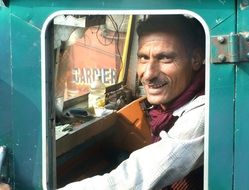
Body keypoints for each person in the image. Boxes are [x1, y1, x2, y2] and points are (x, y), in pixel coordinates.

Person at [58, 14, 205, 190]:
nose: (148, 74)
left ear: (196, 59)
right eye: (143, 58)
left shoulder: (205, 111)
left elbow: (137, 177)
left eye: (165, 58)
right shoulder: (166, 108)